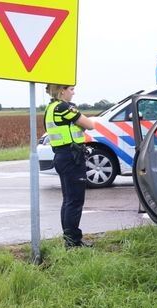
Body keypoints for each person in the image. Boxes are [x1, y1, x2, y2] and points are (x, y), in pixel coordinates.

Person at [44, 84, 96, 248]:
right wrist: (81, 122)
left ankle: (70, 239)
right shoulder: (64, 107)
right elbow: (90, 124)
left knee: (68, 200)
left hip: (62, 156)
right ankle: (73, 242)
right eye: (71, 89)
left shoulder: (51, 108)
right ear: (62, 91)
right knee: (75, 201)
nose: (73, 92)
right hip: (72, 157)